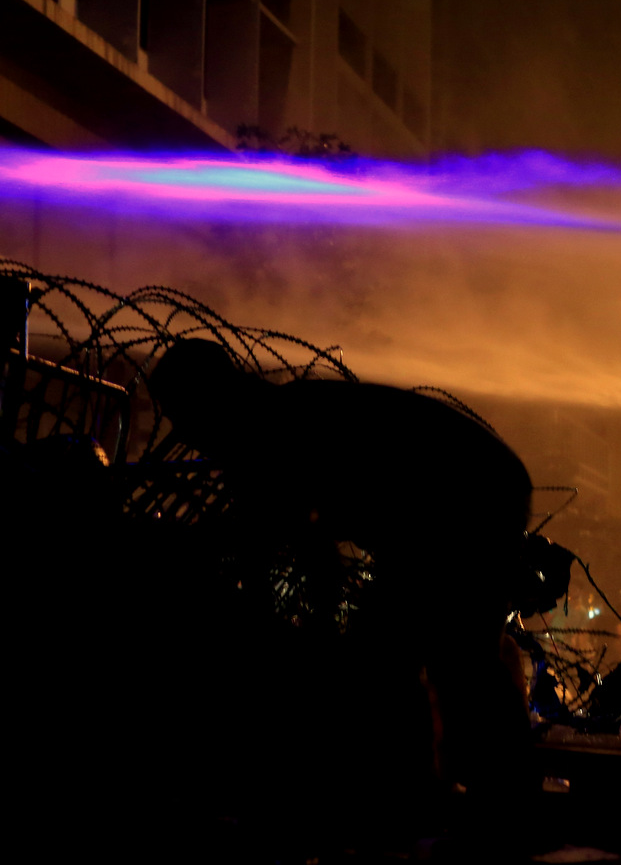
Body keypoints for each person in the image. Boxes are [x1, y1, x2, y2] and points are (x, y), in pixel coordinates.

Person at [148, 338, 541, 814]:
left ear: (205, 399)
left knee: (417, 654)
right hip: (472, 489)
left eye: (178, 413)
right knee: (440, 650)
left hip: (466, 496)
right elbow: (291, 550)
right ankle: (480, 798)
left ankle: (453, 800)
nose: (182, 432)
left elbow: (306, 560)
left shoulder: (267, 434)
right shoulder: (274, 422)